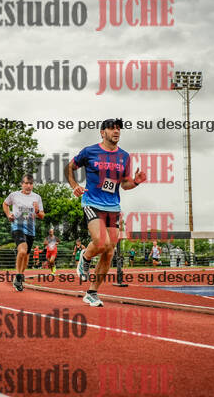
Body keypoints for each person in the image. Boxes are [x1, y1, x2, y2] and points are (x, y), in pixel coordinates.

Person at [65, 118, 146, 307]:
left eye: (118, 129)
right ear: (102, 133)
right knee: (102, 242)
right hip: (92, 202)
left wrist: (135, 181)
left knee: (109, 251)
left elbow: (124, 184)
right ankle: (85, 257)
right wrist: (75, 185)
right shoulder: (89, 151)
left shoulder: (124, 156)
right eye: (111, 128)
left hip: (113, 207)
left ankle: (92, 292)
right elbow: (69, 167)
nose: (116, 131)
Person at [3, 174, 45, 291]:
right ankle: (17, 276)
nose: (28, 186)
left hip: (30, 230)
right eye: (26, 183)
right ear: (22, 184)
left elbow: (42, 215)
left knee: (26, 258)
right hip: (17, 226)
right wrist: (9, 214)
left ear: (33, 185)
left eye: (30, 184)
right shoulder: (14, 195)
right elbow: (5, 204)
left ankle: (20, 275)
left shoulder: (37, 197)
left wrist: (37, 210)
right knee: (22, 250)